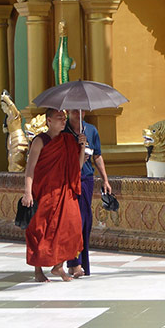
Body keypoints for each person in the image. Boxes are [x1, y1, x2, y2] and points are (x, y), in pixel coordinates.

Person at [22, 109, 86, 282]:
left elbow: (77, 168)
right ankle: (38, 271)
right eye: (59, 118)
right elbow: (30, 168)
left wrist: (82, 148)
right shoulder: (40, 141)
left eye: (64, 118)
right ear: (49, 121)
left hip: (64, 192)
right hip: (43, 193)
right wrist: (27, 192)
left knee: (71, 228)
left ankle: (58, 266)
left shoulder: (67, 140)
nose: (63, 121)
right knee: (40, 230)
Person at [64, 110, 112, 278]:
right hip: (68, 180)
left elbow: (97, 156)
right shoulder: (64, 132)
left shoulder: (90, 130)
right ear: (68, 111)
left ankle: (80, 263)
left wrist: (105, 179)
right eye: (75, 110)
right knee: (74, 220)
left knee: (85, 221)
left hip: (86, 179)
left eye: (82, 109)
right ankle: (73, 263)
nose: (79, 113)